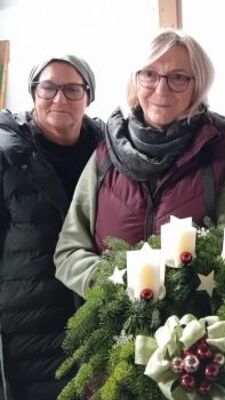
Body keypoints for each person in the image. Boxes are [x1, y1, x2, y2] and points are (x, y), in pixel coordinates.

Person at [54, 30, 225, 301]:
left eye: (178, 78)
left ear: (198, 85)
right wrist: (119, 287)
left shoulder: (223, 156)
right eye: (149, 74)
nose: (161, 89)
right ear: (135, 81)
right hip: (110, 321)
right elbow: (69, 251)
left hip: (190, 325)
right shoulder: (105, 154)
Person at [0, 55, 104, 400]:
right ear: (33, 93)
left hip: (95, 320)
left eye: (72, 89)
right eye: (48, 88)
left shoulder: (108, 154)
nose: (59, 98)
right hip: (30, 327)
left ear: (88, 97)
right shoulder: (7, 156)